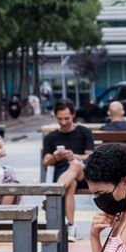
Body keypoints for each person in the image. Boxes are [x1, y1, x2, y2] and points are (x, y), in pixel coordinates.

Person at [41, 100, 95, 235]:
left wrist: (73, 156)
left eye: (67, 118)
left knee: (75, 164)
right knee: (71, 185)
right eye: (60, 119)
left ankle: (52, 197)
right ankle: (71, 226)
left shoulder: (84, 132)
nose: (63, 122)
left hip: (82, 173)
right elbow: (46, 163)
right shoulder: (50, 137)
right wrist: (55, 157)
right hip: (62, 174)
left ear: (73, 115)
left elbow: (91, 156)